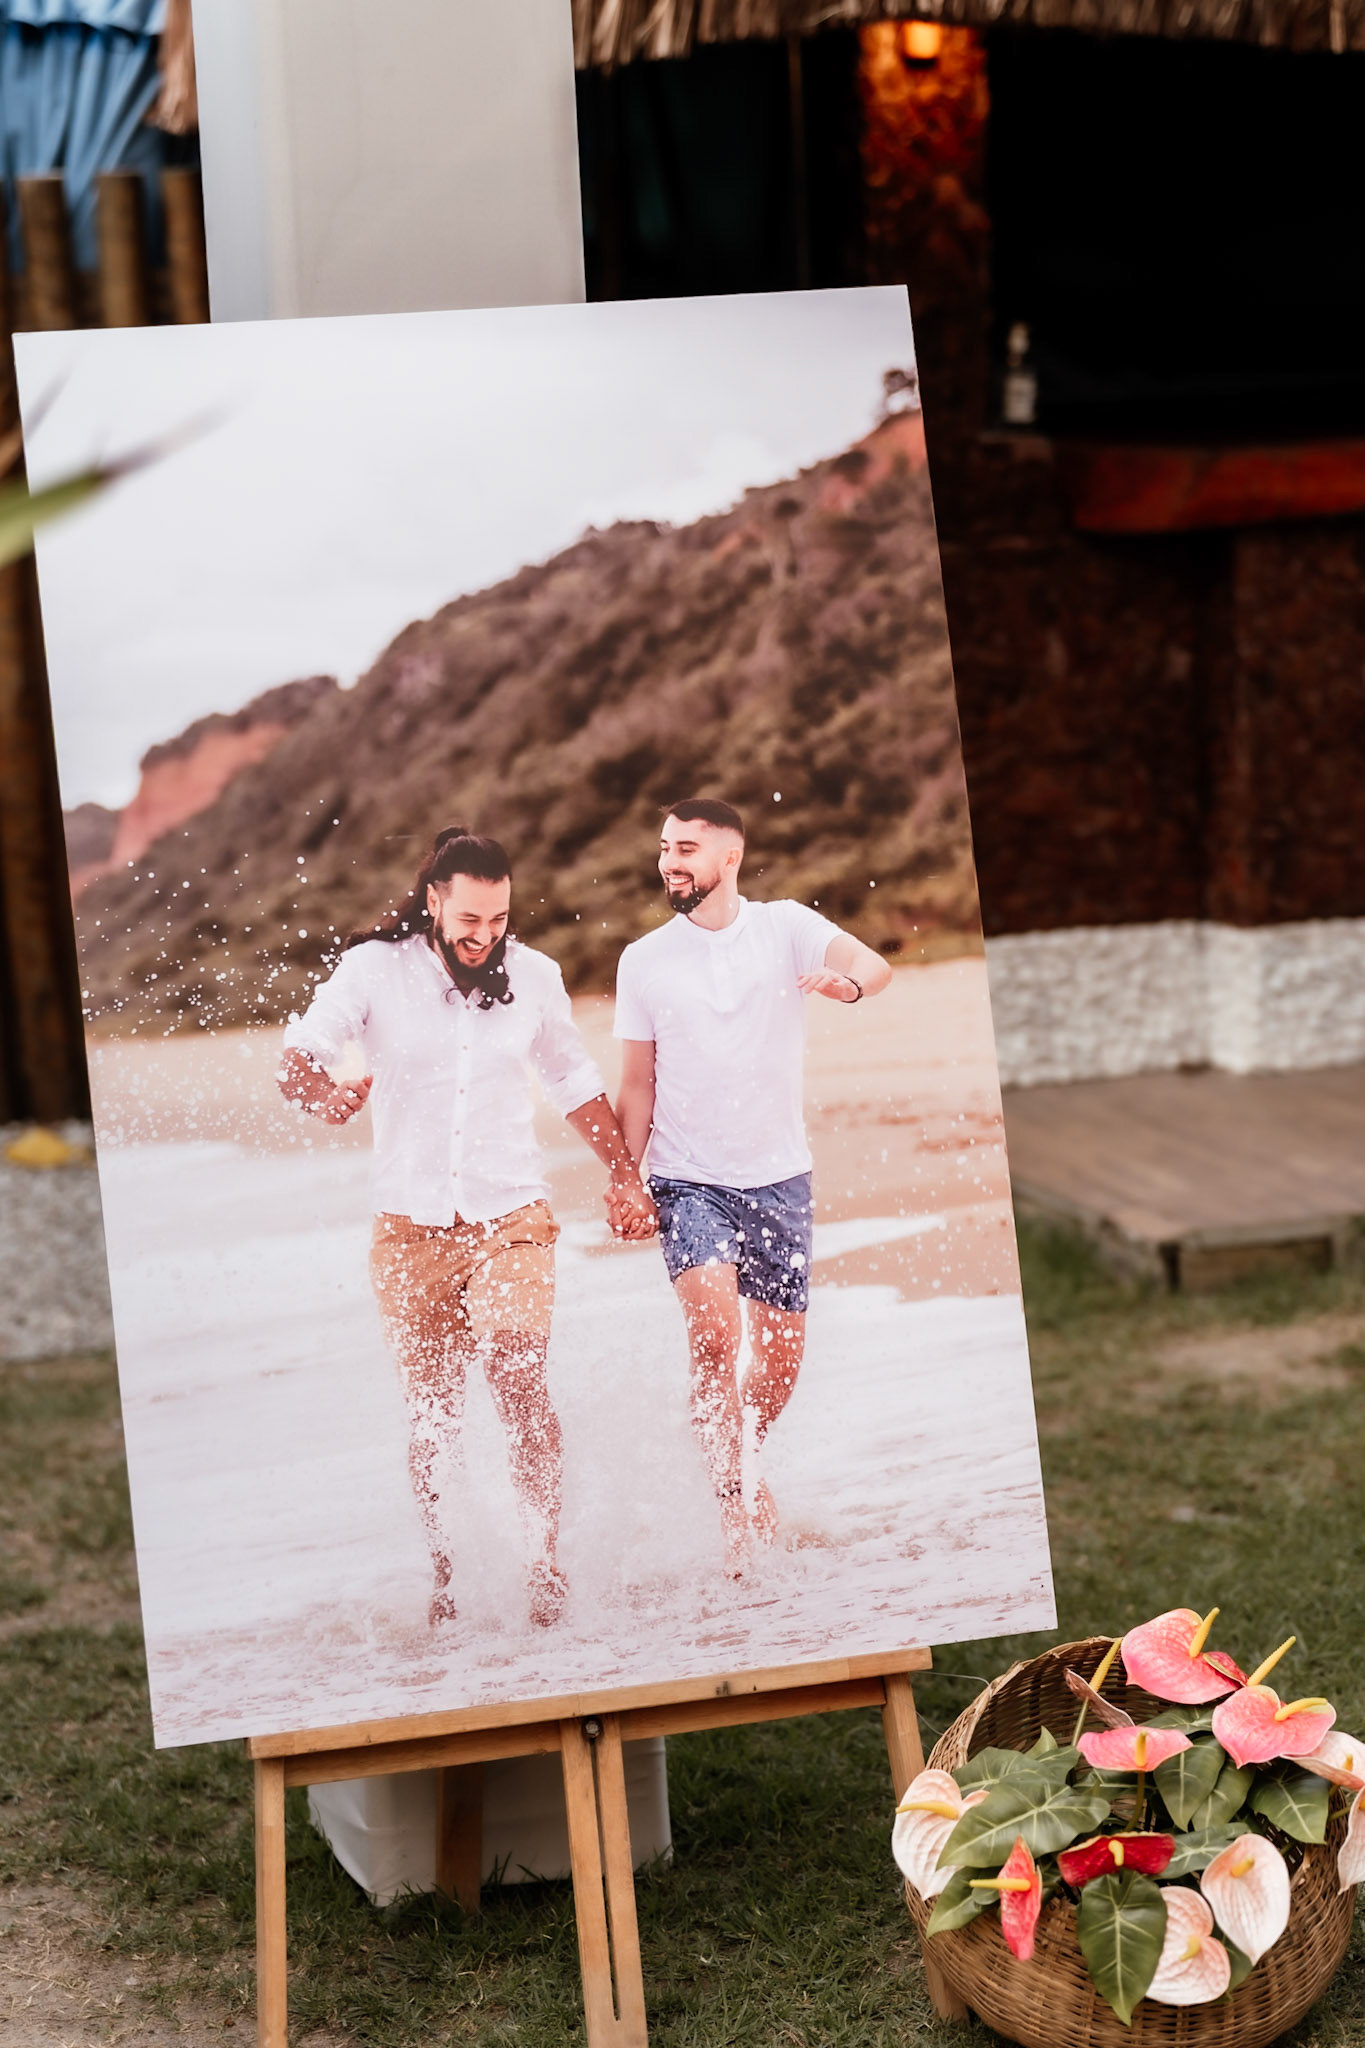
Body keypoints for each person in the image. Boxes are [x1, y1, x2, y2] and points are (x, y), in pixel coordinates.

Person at [278, 826, 656, 1630]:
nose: (485, 938)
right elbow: (299, 1054)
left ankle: (542, 1563)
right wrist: (323, 1094)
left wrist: (624, 1175)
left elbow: (573, 1079)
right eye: (468, 922)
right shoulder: (374, 970)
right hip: (407, 1235)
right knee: (434, 1413)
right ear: (433, 905)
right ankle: (449, 1578)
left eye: (499, 920)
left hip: (510, 1215)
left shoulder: (535, 976)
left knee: (517, 1374)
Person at [613, 799, 891, 1575]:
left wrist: (847, 988)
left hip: (778, 1178)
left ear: (728, 856)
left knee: (777, 1365)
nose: (671, 860)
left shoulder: (784, 926)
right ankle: (734, 1498)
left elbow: (876, 965)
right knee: (713, 1337)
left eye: (687, 848)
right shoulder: (643, 959)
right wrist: (623, 1179)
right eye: (665, 847)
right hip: (685, 1179)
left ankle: (739, 1452)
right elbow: (637, 1083)